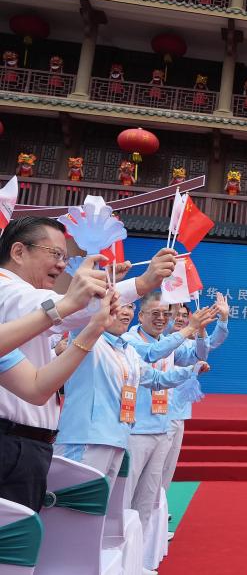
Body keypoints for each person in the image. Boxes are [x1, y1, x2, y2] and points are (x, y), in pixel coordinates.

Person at [0, 216, 176, 510]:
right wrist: (140, 284)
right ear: (18, 252)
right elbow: (63, 311)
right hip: (16, 443)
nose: (61, 265)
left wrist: (99, 307)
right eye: (55, 254)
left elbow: (36, 387)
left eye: (64, 257)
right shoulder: (9, 291)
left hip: (28, 444)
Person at [54, 300, 209, 486]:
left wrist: (191, 371)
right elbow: (84, 307)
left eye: (129, 307)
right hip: (86, 439)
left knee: (113, 502)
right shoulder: (88, 339)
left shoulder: (127, 351)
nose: (126, 312)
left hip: (118, 438)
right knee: (76, 500)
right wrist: (190, 328)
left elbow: (156, 379)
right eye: (119, 306)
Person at [122, 291, 218, 564]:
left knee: (148, 498)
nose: (161, 319)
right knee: (125, 500)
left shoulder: (167, 342)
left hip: (161, 427)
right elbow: (151, 355)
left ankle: (138, 561)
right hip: (134, 431)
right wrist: (189, 329)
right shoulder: (129, 340)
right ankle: (119, 558)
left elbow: (198, 353)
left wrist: (201, 332)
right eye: (155, 313)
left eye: (166, 314)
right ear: (141, 315)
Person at [161, 297, 230, 503]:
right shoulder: (159, 341)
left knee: (168, 466)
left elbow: (208, 346)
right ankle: (147, 509)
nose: (180, 319)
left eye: (184, 315)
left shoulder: (188, 343)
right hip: (157, 413)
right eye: (176, 314)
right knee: (155, 467)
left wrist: (222, 319)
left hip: (179, 411)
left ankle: (159, 509)